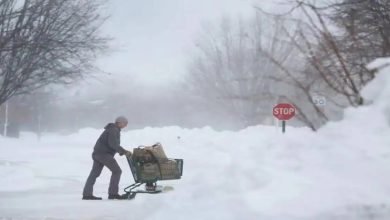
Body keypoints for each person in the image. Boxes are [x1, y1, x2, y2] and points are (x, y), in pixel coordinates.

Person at [82, 116, 132, 200]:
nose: (126, 126)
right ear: (119, 122)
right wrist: (124, 151)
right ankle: (113, 193)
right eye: (125, 123)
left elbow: (111, 144)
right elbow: (112, 144)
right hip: (104, 154)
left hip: (98, 153)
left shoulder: (112, 129)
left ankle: (87, 194)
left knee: (94, 174)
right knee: (117, 171)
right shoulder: (113, 130)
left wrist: (120, 151)